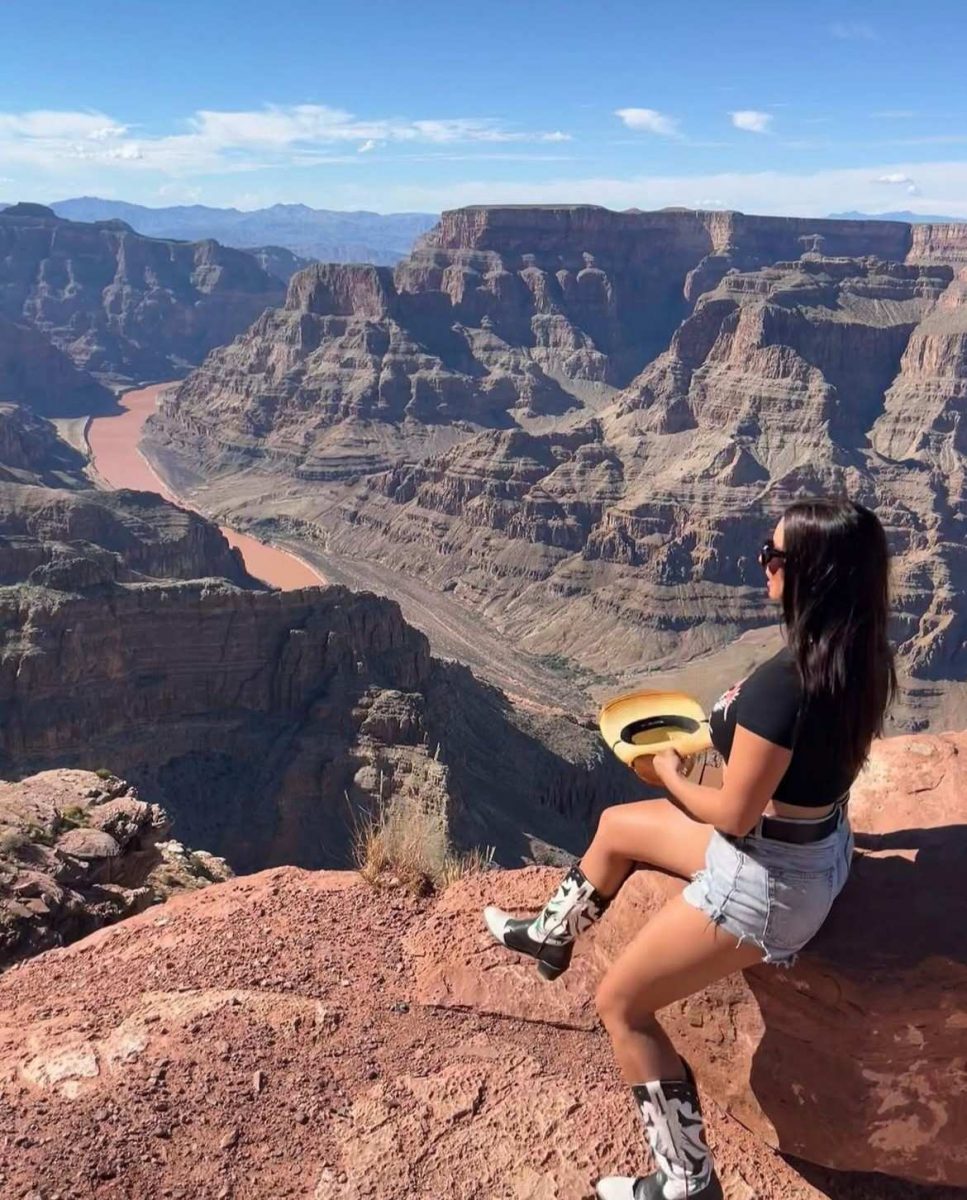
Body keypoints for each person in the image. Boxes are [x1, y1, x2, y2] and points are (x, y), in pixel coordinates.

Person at [484, 497, 897, 1200]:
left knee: (621, 1006)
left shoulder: (783, 683)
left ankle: (684, 1181)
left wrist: (669, 773)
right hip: (813, 849)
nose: (761, 565)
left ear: (813, 575)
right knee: (616, 827)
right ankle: (550, 937)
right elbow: (792, 773)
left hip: (763, 882)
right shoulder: (859, 654)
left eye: (773, 556)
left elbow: (734, 817)